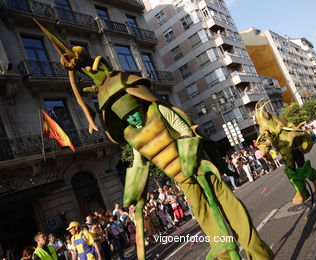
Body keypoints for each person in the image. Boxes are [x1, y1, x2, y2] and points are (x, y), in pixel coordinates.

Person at [37, 27, 274, 259]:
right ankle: (223, 249)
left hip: (199, 166)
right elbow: (139, 164)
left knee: (225, 201)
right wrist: (134, 198)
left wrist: (191, 157)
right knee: (202, 212)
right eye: (127, 118)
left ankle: (256, 250)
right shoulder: (131, 135)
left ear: (139, 103)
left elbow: (185, 130)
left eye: (133, 112)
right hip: (182, 178)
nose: (132, 118)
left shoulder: (158, 110)